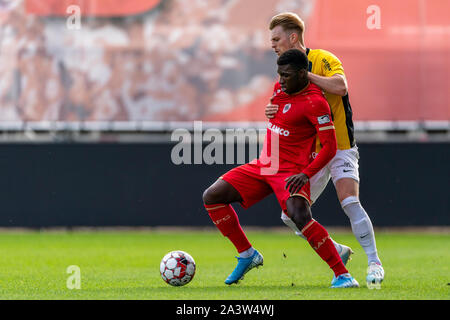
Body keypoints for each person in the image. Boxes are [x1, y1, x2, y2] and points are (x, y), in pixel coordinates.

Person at [202, 49, 359, 288]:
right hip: (264, 164)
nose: (281, 80)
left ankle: (342, 275)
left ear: (302, 74)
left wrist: (305, 174)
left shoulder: (316, 102)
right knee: (212, 196)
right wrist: (269, 110)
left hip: (291, 171)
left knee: (299, 216)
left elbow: (330, 147)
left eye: (286, 75)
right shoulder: (279, 89)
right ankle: (247, 254)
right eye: (279, 74)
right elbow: (280, 115)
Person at [266, 12, 384, 288]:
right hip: (311, 155)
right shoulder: (283, 73)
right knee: (289, 216)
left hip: (340, 146)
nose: (272, 44)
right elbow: (280, 108)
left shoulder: (323, 59)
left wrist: (305, 74)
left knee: (350, 202)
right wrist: (271, 111)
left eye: (276, 38)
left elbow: (341, 87)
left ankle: (374, 262)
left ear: (293, 37)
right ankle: (335, 248)